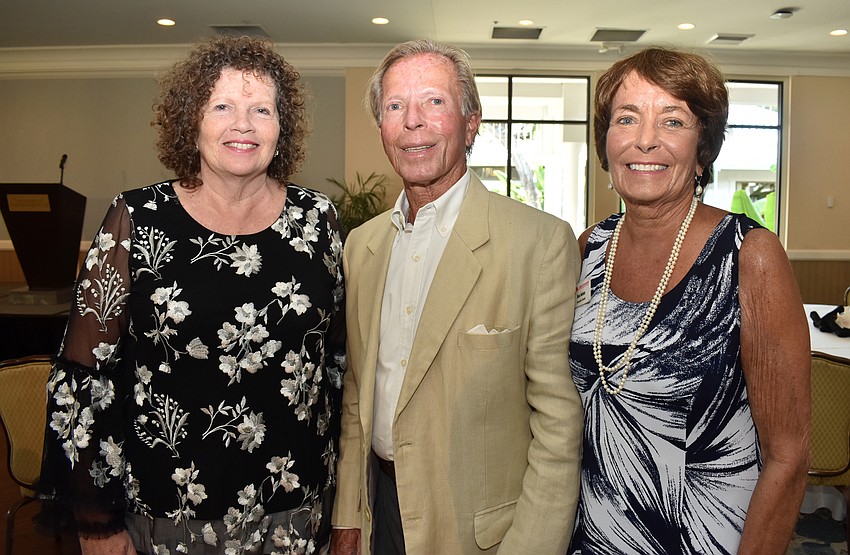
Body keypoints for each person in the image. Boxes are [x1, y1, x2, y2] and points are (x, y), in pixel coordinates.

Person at [38, 35, 345, 554]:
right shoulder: (137, 219)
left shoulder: (318, 221)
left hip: (294, 514)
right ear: (192, 121)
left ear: (281, 128)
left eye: (261, 109)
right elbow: (84, 380)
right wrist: (97, 522)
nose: (242, 124)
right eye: (221, 106)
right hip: (166, 516)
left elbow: (335, 364)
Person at [330, 38, 582, 554]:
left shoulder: (538, 242)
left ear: (471, 123)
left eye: (434, 102)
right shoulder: (362, 246)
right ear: (382, 128)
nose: (413, 121)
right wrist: (348, 515)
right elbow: (358, 390)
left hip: (479, 533)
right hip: (379, 514)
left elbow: (558, 426)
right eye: (395, 106)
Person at [568, 47, 811, 554]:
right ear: (605, 142)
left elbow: (788, 456)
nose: (645, 140)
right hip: (591, 538)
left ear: (703, 149)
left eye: (672, 120)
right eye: (626, 118)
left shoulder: (749, 255)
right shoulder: (588, 248)